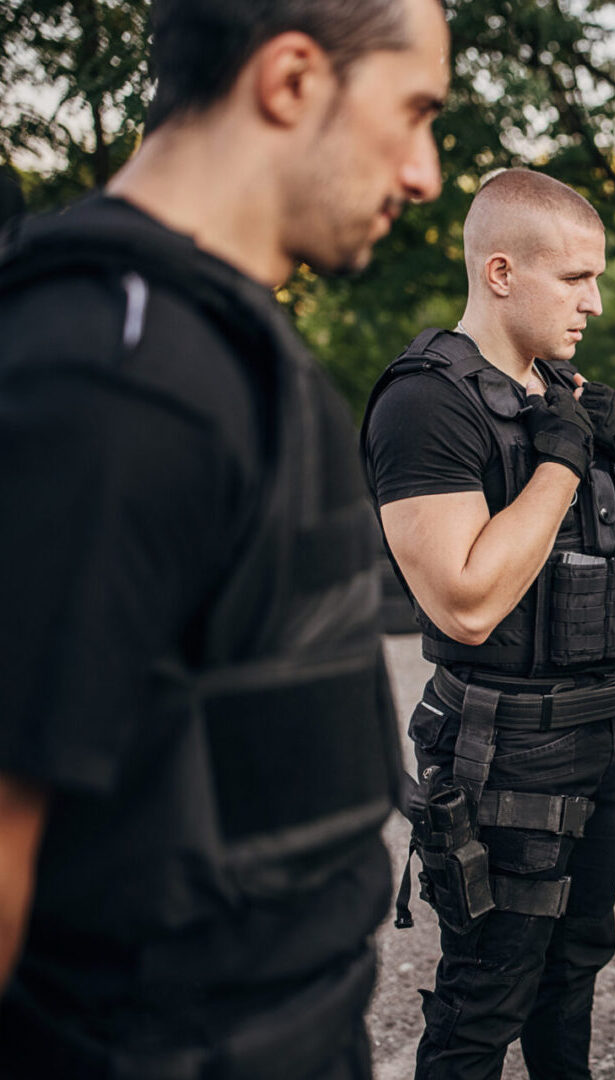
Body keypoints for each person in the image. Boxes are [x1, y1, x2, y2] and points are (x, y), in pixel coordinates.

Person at [0, 0, 449, 1075]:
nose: (427, 171)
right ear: (290, 80)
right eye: (415, 111)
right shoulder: (113, 379)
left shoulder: (218, 345)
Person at [362, 167, 615, 1080]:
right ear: (501, 273)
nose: (595, 303)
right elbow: (465, 600)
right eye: (576, 279)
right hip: (504, 750)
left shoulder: (561, 390)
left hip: (596, 732)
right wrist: (563, 466)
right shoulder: (428, 402)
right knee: (486, 998)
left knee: (574, 972)